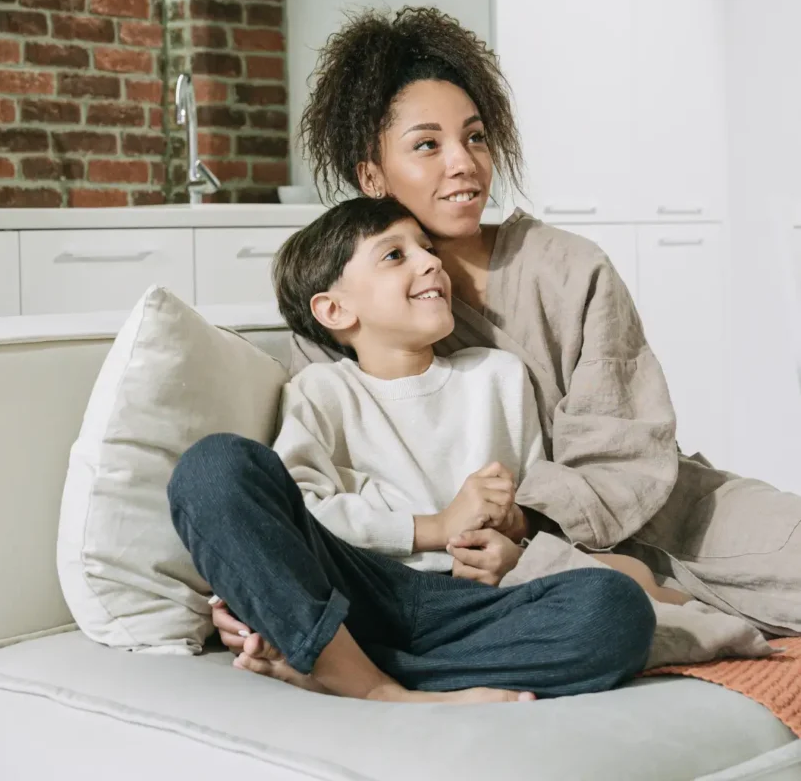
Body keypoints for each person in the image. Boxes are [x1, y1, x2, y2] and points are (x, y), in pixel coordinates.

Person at [214, 6, 801, 658]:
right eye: (427, 145)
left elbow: (625, 449)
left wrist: (518, 515)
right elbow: (320, 489)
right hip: (499, 564)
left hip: (670, 516)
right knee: (611, 612)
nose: (463, 163)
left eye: (475, 137)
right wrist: (259, 589)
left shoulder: (568, 267)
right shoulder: (347, 314)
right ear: (372, 175)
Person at [168, 197, 657, 704]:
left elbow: (532, 506)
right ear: (334, 309)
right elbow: (295, 517)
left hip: (469, 606)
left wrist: (514, 545)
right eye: (394, 255)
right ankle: (375, 688)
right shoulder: (321, 390)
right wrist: (436, 527)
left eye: (427, 249)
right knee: (213, 467)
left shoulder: (499, 375)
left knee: (615, 609)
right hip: (356, 593)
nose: (430, 262)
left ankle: (351, 669)